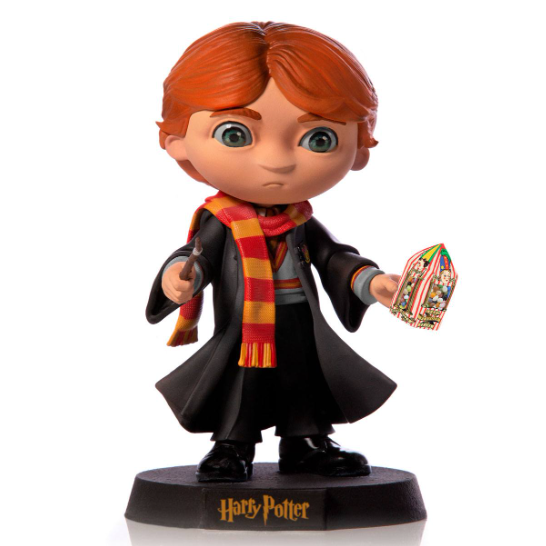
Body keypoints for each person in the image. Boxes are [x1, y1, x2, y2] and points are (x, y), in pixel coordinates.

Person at [146, 21, 401, 483]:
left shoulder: (300, 221)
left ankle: (306, 443)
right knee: (241, 384)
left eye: (319, 138)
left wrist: (372, 283)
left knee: (304, 379)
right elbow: (198, 254)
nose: (277, 160)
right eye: (235, 134)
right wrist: (179, 277)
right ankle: (232, 445)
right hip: (245, 324)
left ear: (359, 147)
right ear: (176, 141)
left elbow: (334, 258)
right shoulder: (221, 220)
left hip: (300, 318)